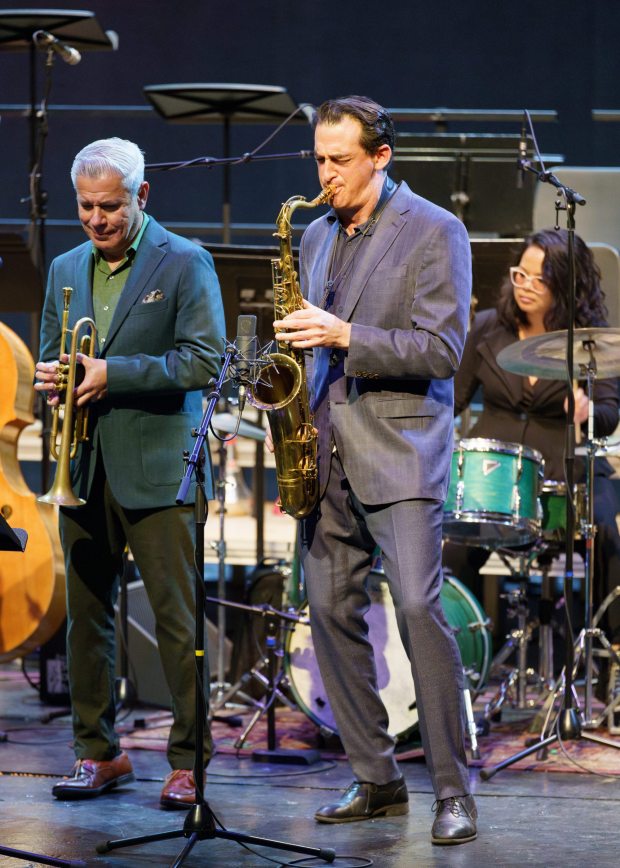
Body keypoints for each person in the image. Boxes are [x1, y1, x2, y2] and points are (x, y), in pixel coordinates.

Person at [269, 96, 477, 844]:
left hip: (400, 453)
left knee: (420, 612)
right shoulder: (317, 235)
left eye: (339, 161)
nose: (325, 175)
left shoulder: (436, 230)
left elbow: (443, 350)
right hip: (324, 452)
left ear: (381, 157)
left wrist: (346, 334)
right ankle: (377, 779)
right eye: (318, 160)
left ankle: (454, 791)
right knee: (327, 613)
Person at [34, 137, 225, 808]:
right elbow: (58, 360)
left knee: (176, 620)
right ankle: (97, 751)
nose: (96, 219)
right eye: (86, 207)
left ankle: (187, 761)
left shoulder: (185, 262)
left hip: (160, 469)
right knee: (87, 619)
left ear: (141, 196)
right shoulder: (64, 266)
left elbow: (205, 361)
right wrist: (52, 380)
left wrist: (113, 375)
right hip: (84, 467)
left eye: (109, 206)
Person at [443, 229, 620, 664]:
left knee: (608, 531)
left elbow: (611, 412)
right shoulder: (488, 327)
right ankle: (454, 657)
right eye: (520, 274)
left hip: (565, 470)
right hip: (494, 477)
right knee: (451, 545)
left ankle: (608, 656)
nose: (524, 286)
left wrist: (586, 412)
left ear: (565, 287)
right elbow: (449, 400)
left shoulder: (592, 340)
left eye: (538, 280)